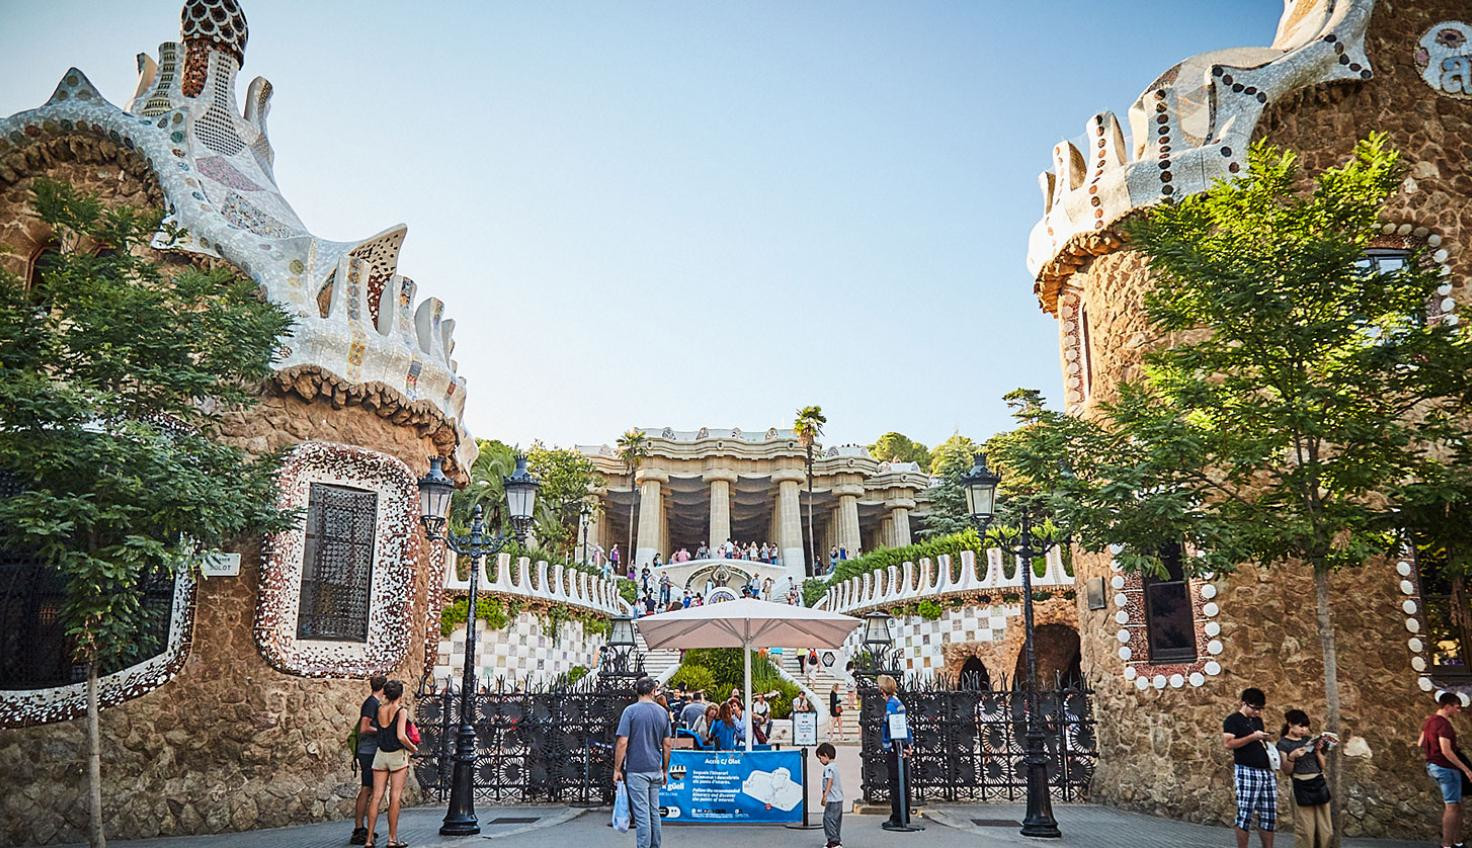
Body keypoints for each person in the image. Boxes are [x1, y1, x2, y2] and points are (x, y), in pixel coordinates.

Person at [615, 677, 674, 848]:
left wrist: (617, 769)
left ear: (637, 691)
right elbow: (667, 744)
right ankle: (656, 845)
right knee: (654, 812)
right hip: (655, 768)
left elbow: (622, 742)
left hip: (637, 768)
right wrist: (664, 769)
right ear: (653, 691)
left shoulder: (630, 712)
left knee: (642, 814)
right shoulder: (663, 712)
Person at [366, 679, 417, 848]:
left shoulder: (380, 709)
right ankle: (392, 839)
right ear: (400, 695)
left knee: (376, 796)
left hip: (380, 755)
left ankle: (368, 839)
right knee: (395, 797)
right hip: (397, 755)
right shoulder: (400, 711)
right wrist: (413, 749)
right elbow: (401, 736)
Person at [1223, 687, 1276, 848]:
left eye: (1260, 709)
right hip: (1247, 770)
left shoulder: (1257, 721)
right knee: (1245, 814)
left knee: (1269, 815)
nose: (1257, 712)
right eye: (1255, 708)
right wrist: (1253, 737)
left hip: (1266, 772)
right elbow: (1228, 743)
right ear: (1244, 703)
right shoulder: (1233, 720)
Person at [1420, 691, 1472, 848]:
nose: (1458, 711)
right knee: (1451, 806)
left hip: (1435, 765)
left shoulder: (1429, 722)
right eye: (1457, 707)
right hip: (1446, 768)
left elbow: (1420, 742)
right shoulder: (1443, 725)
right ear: (1448, 706)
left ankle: (1457, 842)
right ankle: (1447, 845)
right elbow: (1446, 750)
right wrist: (1466, 769)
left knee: (1456, 805)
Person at [1276, 709, 1331, 848]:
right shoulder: (1283, 743)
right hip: (1300, 784)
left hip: (1318, 781)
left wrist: (1318, 751)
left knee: (1325, 828)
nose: (1304, 730)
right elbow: (1286, 771)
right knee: (1306, 829)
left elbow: (1322, 765)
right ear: (1290, 724)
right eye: (1301, 726)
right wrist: (1292, 757)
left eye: (1306, 727)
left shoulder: (1309, 740)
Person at [351, 675, 387, 845]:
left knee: (369, 789)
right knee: (366, 789)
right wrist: (381, 730)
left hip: (369, 751)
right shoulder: (371, 703)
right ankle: (358, 828)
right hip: (368, 751)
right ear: (383, 688)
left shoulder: (373, 702)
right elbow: (365, 727)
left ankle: (361, 827)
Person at [878, 674, 911, 830]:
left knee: (896, 782)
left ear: (883, 690)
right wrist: (908, 744)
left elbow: (892, 728)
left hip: (894, 748)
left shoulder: (891, 705)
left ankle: (898, 817)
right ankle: (904, 814)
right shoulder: (898, 703)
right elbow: (907, 724)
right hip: (900, 746)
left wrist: (898, 745)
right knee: (902, 781)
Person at [817, 742, 844, 848]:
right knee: (836, 820)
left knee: (828, 819)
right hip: (839, 799)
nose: (820, 761)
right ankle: (836, 839)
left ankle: (833, 841)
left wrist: (825, 795)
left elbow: (830, 781)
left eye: (820, 758)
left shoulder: (828, 768)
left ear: (826, 756)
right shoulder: (835, 767)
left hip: (832, 799)